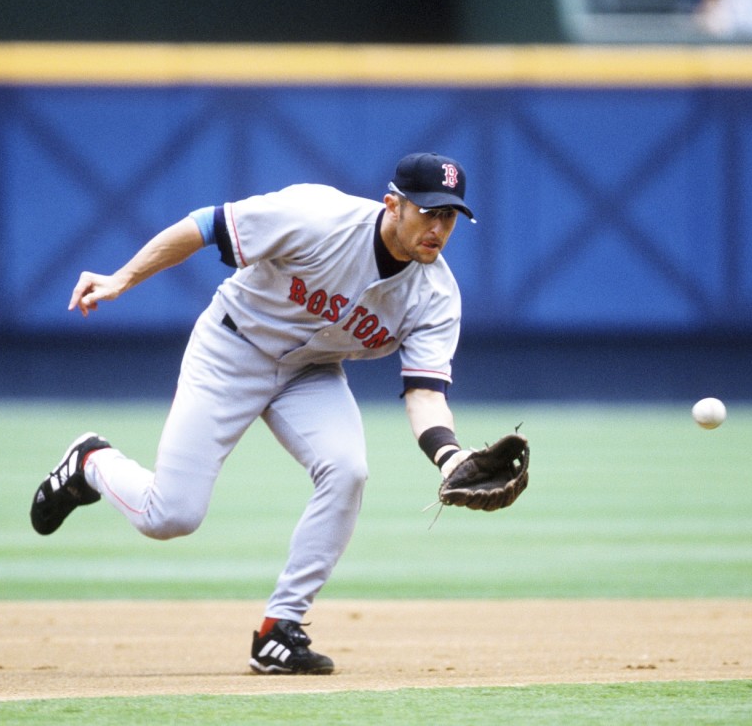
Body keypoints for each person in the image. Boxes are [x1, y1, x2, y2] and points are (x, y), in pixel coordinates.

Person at [30, 152, 480, 675]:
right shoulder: (319, 217)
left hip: (311, 371)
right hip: (232, 349)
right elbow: (204, 225)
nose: (438, 227)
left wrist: (448, 457)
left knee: (348, 470)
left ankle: (279, 631)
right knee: (171, 515)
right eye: (427, 211)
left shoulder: (437, 295)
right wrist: (122, 279)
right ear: (393, 205)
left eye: (448, 216)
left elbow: (425, 394)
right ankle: (90, 462)